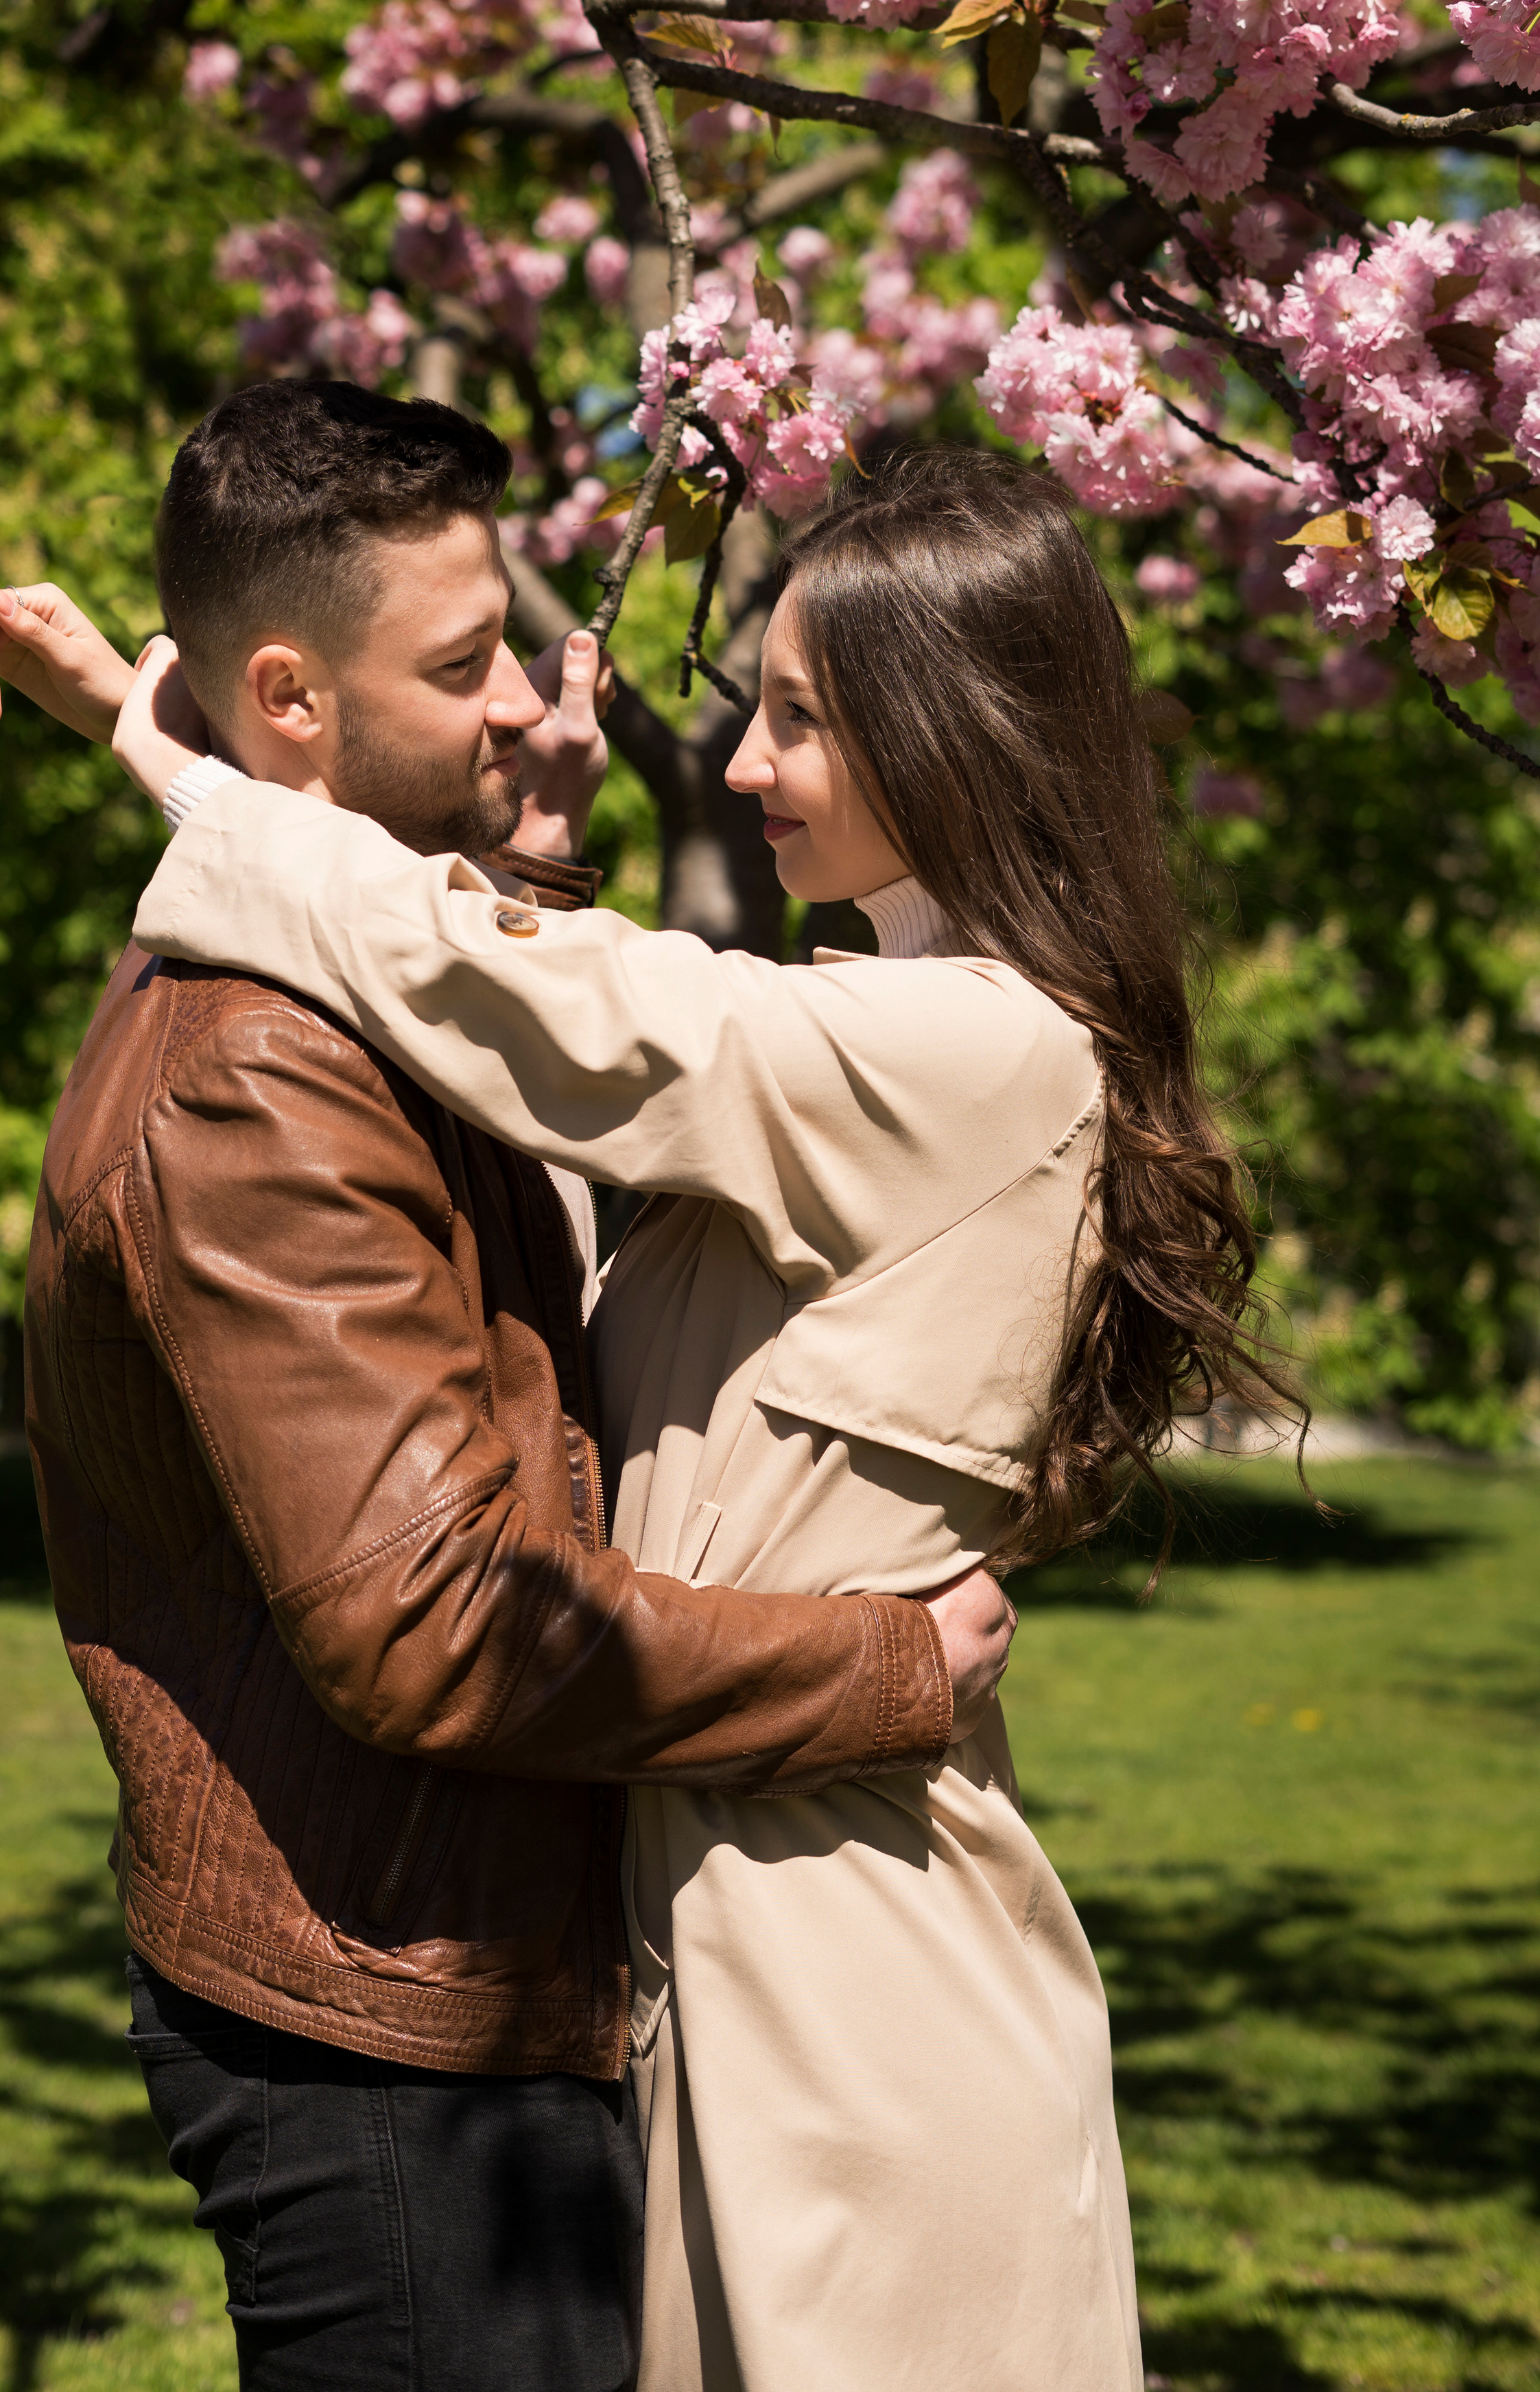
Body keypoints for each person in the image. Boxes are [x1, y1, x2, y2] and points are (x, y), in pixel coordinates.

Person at [97, 444, 1301, 2392]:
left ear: (950, 735)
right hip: (739, 1919)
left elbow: (598, 1021)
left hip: (856, 1984)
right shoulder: (891, 1034)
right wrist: (514, 871)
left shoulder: (975, 1050)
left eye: (799, 718)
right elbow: (558, 1156)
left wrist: (201, 790)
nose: (743, 763)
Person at [0, 384, 1008, 2392]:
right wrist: (885, 1668)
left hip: (451, 1965)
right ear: (288, 702)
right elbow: (439, 1620)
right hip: (389, 2041)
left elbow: (506, 1186)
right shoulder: (265, 1074)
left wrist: (535, 883)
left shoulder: (359, 1003)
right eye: (462, 662)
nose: (525, 701)